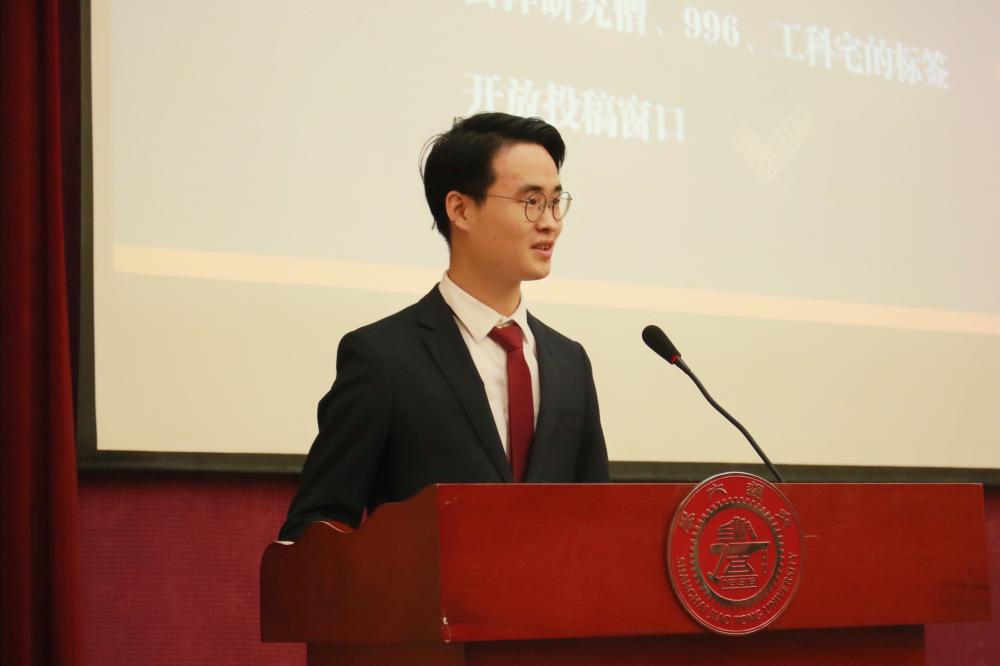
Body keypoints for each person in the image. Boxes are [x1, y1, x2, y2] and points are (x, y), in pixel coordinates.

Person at [278, 113, 609, 540]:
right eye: (531, 201)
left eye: (555, 201)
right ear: (460, 209)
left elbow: (599, 520)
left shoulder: (569, 362)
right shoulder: (384, 358)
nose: (550, 222)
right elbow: (315, 525)